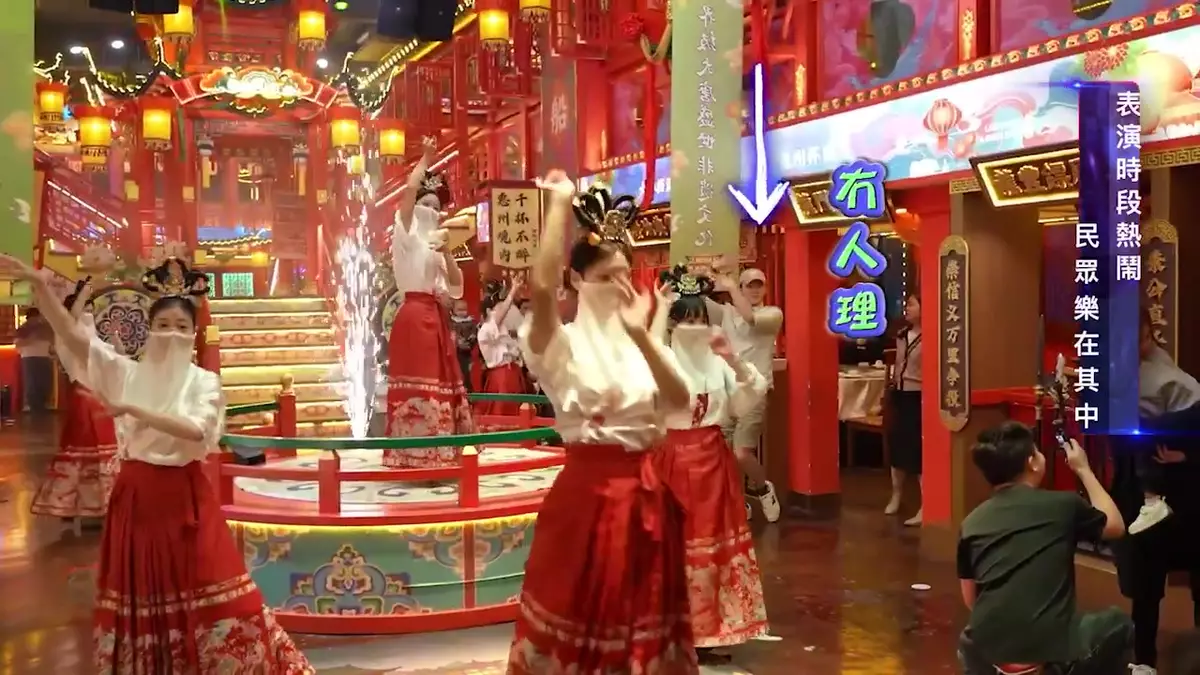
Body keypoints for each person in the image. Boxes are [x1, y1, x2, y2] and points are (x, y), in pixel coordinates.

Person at [3, 253, 312, 674]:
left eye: (182, 327)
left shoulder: (203, 382)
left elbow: (196, 430)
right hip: (135, 498)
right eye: (163, 325)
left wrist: (134, 409)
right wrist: (41, 288)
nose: (171, 334)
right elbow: (74, 339)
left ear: (194, 333)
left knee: (215, 586)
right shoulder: (127, 373)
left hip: (185, 499)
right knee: (143, 592)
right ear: (149, 329)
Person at [506, 174, 697, 674]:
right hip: (588, 500)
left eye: (624, 274)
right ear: (578, 281)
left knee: (644, 624)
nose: (619, 285)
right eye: (606, 276)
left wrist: (644, 337)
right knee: (581, 620)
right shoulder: (562, 344)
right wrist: (558, 205)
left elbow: (680, 400)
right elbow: (541, 289)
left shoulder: (641, 340)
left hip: (648, 500)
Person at [657, 265, 770, 663]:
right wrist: (657, 310)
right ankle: (673, 631)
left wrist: (732, 359)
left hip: (713, 460)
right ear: (673, 324)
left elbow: (748, 395)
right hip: (671, 461)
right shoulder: (663, 359)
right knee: (676, 546)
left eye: (700, 320)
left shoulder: (719, 361)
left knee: (716, 547)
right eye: (686, 321)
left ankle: (714, 631)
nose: (694, 328)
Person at [956, 421, 1132, 675]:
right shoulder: (1062, 505)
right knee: (1118, 624)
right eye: (1037, 451)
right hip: (1047, 648)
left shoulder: (971, 522)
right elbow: (1115, 526)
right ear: (1032, 463)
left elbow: (971, 599)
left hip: (981, 651)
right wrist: (1083, 470)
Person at [384, 136, 475, 469]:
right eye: (427, 205)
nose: (432, 212)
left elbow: (457, 289)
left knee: (438, 385)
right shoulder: (405, 237)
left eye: (437, 208)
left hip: (435, 320)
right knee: (417, 384)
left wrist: (448, 252)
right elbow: (409, 193)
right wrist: (425, 159)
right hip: (411, 317)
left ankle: (440, 451)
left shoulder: (436, 244)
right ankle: (411, 453)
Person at [30, 278, 118, 525]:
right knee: (85, 454)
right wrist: (83, 294)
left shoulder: (94, 336)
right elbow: (68, 322)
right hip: (85, 398)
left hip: (101, 398)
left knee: (99, 455)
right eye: (85, 307)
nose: (89, 311)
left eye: (91, 307)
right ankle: (81, 507)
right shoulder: (68, 335)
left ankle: (95, 506)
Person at [708, 268, 783, 522]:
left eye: (759, 285)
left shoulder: (772, 314)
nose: (755, 290)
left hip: (755, 390)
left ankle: (763, 489)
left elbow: (750, 318)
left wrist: (730, 286)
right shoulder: (725, 313)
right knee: (725, 452)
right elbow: (697, 305)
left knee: (742, 452)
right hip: (726, 391)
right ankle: (739, 500)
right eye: (749, 285)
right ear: (742, 288)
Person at [1127, 311, 1200, 535]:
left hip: (1190, 409)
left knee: (1138, 429)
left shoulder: (1149, 370)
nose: (1146, 344)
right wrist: (1184, 455)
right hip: (1186, 411)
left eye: (1147, 337)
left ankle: (1151, 500)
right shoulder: (1144, 361)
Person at [886, 294, 924, 525]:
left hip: (918, 395)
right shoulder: (901, 335)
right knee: (897, 445)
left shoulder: (932, 337)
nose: (906, 308)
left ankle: (926, 505)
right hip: (899, 393)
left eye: (911, 304)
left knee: (917, 450)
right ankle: (896, 495)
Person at [477, 276, 528, 420]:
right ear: (489, 311)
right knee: (503, 415)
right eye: (498, 307)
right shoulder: (485, 330)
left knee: (520, 414)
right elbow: (501, 314)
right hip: (501, 376)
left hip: (514, 373)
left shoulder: (503, 330)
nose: (504, 309)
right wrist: (513, 291)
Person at [15, 307, 54, 415]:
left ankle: (44, 404)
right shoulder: (23, 329)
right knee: (32, 383)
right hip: (29, 357)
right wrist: (32, 339)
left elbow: (52, 342)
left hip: (45, 357)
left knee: (45, 382)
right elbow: (18, 344)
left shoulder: (45, 328)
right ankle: (31, 406)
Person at [448, 299, 478, 391]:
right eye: (459, 310)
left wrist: (471, 338)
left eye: (464, 310)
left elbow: (474, 334)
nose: (462, 312)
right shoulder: (451, 322)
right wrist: (457, 341)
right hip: (455, 352)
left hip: (466, 352)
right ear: (453, 310)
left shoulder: (471, 322)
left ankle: (467, 389)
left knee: (466, 372)